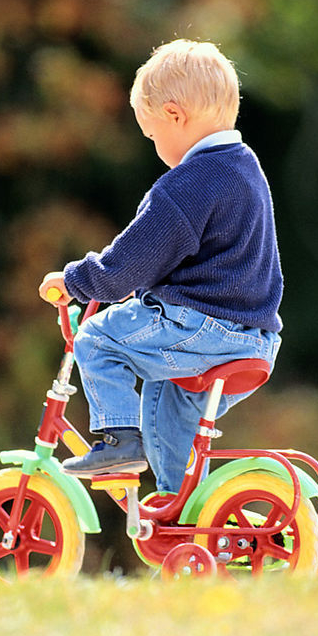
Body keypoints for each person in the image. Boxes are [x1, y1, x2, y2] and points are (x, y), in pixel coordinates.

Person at [38, 39, 283, 493]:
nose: (154, 146)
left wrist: (76, 280)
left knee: (96, 338)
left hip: (200, 327)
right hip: (255, 338)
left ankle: (117, 441)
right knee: (165, 413)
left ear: (174, 115)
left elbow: (126, 267)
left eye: (152, 135)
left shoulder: (185, 185)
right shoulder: (247, 169)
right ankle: (184, 519)